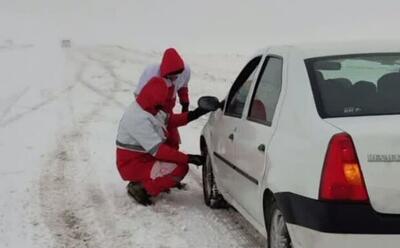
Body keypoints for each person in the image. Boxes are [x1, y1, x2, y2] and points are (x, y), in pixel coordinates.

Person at [116, 77, 210, 206]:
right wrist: (188, 158)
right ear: (153, 98)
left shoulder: (150, 107)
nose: (162, 106)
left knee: (177, 161)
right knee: (179, 168)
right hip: (133, 164)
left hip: (144, 158)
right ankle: (141, 187)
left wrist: (195, 114)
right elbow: (159, 151)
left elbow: (169, 120)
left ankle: (152, 181)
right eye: (160, 103)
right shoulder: (138, 119)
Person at [135, 48, 190, 149]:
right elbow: (139, 96)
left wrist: (185, 102)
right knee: (155, 138)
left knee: (173, 139)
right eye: (171, 76)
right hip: (151, 109)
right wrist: (150, 112)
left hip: (168, 109)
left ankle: (172, 156)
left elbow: (183, 86)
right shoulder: (151, 72)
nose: (174, 78)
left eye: (177, 76)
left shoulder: (185, 70)